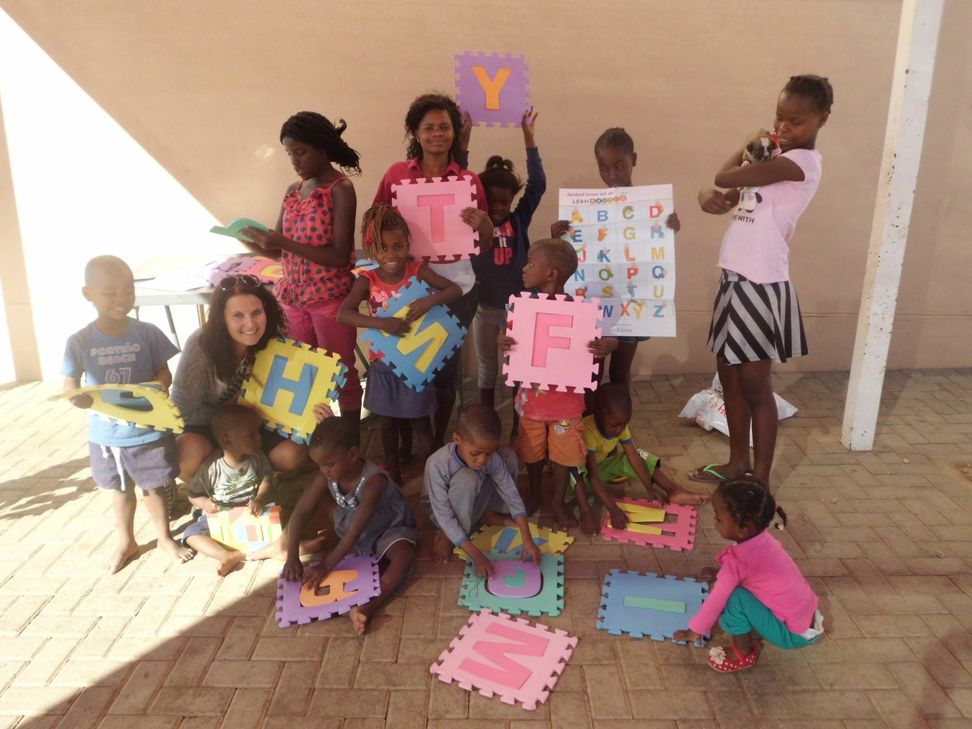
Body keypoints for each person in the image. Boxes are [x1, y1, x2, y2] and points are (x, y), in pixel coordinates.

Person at [689, 75, 833, 489]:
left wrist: (751, 140)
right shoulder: (769, 167)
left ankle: (761, 478)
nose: (785, 128)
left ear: (822, 120)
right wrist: (704, 197)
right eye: (778, 118)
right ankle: (736, 463)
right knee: (729, 376)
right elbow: (724, 194)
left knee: (754, 384)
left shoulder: (800, 164)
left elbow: (726, 174)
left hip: (760, 284)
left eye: (795, 121)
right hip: (734, 277)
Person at [373, 93, 494, 448]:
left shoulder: (470, 180)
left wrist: (484, 224)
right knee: (406, 363)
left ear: (455, 133)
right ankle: (408, 438)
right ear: (416, 131)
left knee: (443, 369)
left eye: (445, 127)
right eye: (429, 128)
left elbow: (483, 242)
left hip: (457, 287)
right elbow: (376, 224)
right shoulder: (397, 174)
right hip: (406, 284)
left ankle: (437, 440)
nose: (437, 134)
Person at [62, 255, 193, 573]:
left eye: (128, 291)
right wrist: (76, 398)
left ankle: (164, 537)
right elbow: (70, 384)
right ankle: (127, 541)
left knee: (155, 487)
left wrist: (160, 386)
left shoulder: (147, 333)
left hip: (149, 429)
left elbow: (165, 372)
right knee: (120, 490)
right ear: (87, 293)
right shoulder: (79, 341)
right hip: (108, 435)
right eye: (110, 293)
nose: (121, 300)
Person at [240, 111, 363, 437]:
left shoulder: (340, 189)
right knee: (304, 372)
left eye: (301, 152)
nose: (294, 161)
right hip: (295, 298)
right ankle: (314, 439)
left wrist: (282, 241)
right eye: (289, 153)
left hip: (330, 300)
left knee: (341, 371)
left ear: (322, 148)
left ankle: (350, 442)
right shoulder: (293, 191)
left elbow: (339, 257)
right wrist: (251, 240)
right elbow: (279, 251)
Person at [337, 204, 462, 484]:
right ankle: (393, 472)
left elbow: (454, 289)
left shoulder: (417, 270)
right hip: (383, 363)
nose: (391, 255)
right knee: (387, 422)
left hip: (416, 361)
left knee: (420, 422)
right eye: (383, 248)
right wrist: (383, 323)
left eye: (398, 246)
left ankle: (436, 471)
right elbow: (343, 314)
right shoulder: (366, 280)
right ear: (371, 249)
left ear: (408, 244)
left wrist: (428, 300)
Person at [551, 127, 681, 392]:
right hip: (596, 303)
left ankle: (618, 429)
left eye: (619, 166)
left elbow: (657, 248)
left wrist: (669, 226)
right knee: (591, 371)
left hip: (632, 306)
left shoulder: (651, 206)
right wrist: (558, 237)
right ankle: (589, 427)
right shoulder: (587, 208)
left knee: (621, 373)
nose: (612, 175)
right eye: (604, 168)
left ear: (634, 159)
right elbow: (569, 257)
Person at [499, 240, 616, 532]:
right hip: (532, 404)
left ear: (551, 273)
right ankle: (537, 494)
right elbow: (505, 335)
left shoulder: (581, 310)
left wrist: (607, 345)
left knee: (563, 456)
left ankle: (556, 500)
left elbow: (612, 338)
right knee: (532, 453)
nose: (524, 268)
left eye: (530, 263)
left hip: (566, 405)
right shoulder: (523, 306)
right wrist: (501, 340)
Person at [171, 274, 325, 479]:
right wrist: (234, 419)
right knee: (186, 456)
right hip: (208, 426)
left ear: (266, 311)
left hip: (255, 426)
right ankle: (220, 478)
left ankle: (252, 474)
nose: (250, 324)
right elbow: (182, 410)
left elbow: (291, 397)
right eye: (238, 315)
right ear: (221, 318)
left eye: (256, 312)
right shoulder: (201, 345)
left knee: (292, 454)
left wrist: (316, 412)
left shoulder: (277, 339)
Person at [282, 416, 417, 635]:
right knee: (313, 499)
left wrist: (326, 566)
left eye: (330, 464)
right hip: (352, 524)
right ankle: (351, 602)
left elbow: (355, 532)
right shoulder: (326, 474)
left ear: (353, 454)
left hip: (388, 527)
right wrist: (291, 557)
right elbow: (300, 512)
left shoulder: (374, 481)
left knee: (403, 558)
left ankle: (369, 606)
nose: (325, 471)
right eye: (319, 465)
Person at [673, 476, 823, 672]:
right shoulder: (764, 540)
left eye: (719, 518)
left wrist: (694, 631)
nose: (715, 521)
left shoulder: (737, 562)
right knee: (732, 586)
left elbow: (717, 600)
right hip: (808, 618)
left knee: (733, 598)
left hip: (791, 635)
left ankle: (742, 653)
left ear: (743, 529)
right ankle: (752, 624)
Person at [182, 404, 326, 575]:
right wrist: (205, 503)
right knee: (192, 534)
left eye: (258, 432)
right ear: (227, 440)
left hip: (255, 513)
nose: (259, 438)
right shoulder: (211, 467)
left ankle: (282, 546)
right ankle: (225, 554)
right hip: (223, 515)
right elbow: (193, 495)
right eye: (252, 434)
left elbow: (266, 481)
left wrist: (259, 499)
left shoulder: (257, 458)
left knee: (287, 515)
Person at [466, 108, 546, 415]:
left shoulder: (519, 219)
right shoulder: (473, 223)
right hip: (485, 309)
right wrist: (465, 139)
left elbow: (537, 185)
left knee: (517, 368)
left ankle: (517, 422)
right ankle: (486, 416)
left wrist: (529, 140)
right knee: (487, 366)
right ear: (480, 198)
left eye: (504, 201)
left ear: (512, 200)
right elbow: (457, 176)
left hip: (519, 310)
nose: (498, 207)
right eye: (492, 201)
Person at [422, 404, 542, 574]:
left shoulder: (487, 457)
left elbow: (510, 492)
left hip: (473, 500)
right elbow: (441, 511)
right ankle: (447, 536)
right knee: (468, 478)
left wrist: (527, 539)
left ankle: (489, 513)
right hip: (440, 513)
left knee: (507, 455)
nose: (482, 460)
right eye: (475, 453)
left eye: (489, 454)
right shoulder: (437, 463)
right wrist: (477, 556)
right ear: (456, 439)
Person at [573, 383, 707, 530]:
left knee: (640, 453)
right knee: (576, 473)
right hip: (580, 479)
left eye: (623, 425)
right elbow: (592, 476)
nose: (619, 430)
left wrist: (649, 488)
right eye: (614, 425)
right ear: (598, 414)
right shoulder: (588, 430)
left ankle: (672, 489)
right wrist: (613, 509)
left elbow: (633, 457)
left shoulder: (619, 424)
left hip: (599, 469)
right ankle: (585, 510)